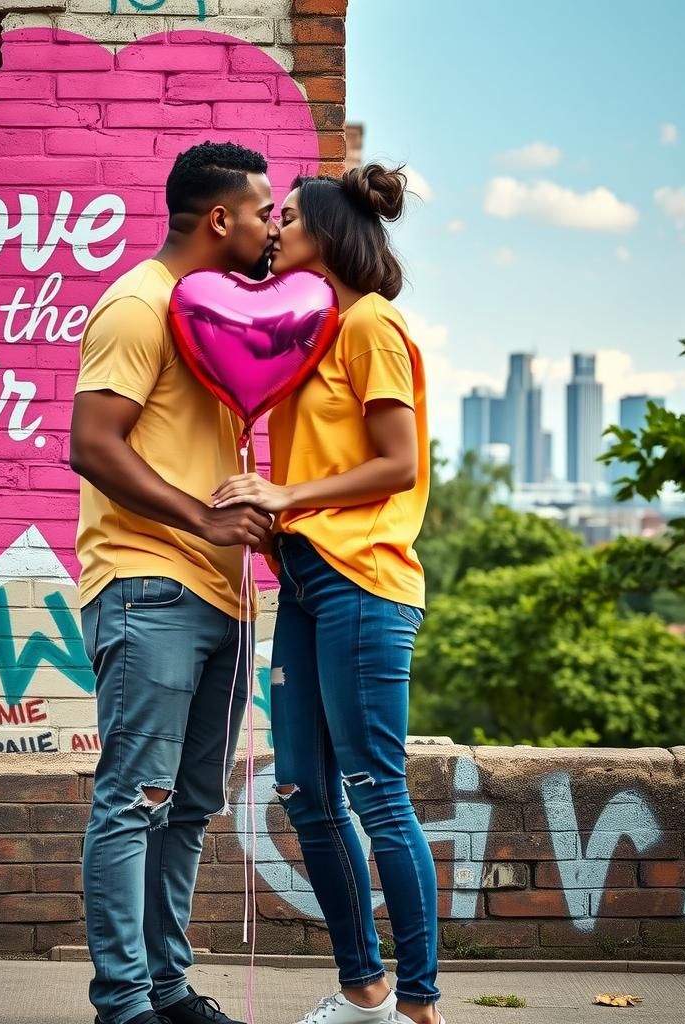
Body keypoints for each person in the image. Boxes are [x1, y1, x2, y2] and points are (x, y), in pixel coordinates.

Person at [212, 164, 443, 1024]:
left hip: (365, 584)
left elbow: (398, 462)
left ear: (330, 237)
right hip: (310, 581)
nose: (274, 232)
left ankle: (419, 1006)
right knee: (304, 790)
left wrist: (285, 496)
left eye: (291, 221)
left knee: (378, 790)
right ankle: (365, 991)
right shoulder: (316, 334)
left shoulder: (372, 325)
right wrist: (274, 518)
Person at [69, 142, 277, 1024]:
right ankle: (123, 1003)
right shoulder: (138, 304)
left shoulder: (216, 312)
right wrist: (201, 519)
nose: (274, 227)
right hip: (149, 586)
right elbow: (94, 443)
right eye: (266, 212)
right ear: (220, 218)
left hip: (226, 603)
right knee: (135, 800)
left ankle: (168, 988)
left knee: (188, 805)